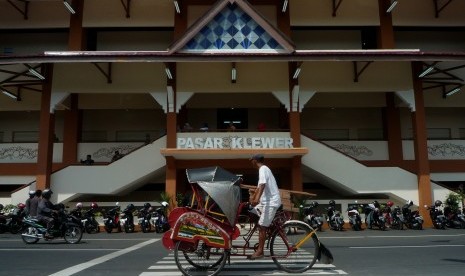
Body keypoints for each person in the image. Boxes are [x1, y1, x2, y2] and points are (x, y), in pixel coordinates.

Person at [249, 153, 281, 260]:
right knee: (251, 212)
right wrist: (253, 198)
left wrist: (256, 199)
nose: (251, 162)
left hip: (271, 203)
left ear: (255, 160)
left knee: (262, 226)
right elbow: (259, 188)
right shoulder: (264, 169)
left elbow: (262, 185)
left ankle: (260, 251)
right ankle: (266, 231)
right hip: (265, 203)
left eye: (251, 160)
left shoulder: (262, 168)